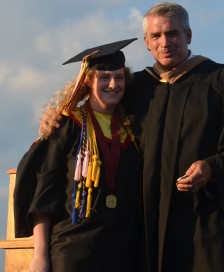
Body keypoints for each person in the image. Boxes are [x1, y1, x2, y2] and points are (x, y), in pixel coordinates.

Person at [40, 2, 224, 272]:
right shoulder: (137, 87)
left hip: (205, 223)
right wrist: (57, 116)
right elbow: (98, 112)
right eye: (156, 36)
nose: (165, 42)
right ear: (147, 43)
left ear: (188, 35)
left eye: (172, 33)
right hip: (146, 229)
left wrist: (212, 166)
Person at [14, 38, 142, 272]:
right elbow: (45, 195)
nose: (113, 84)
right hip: (72, 249)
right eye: (104, 77)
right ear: (88, 81)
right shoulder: (67, 125)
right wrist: (40, 256)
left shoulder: (132, 130)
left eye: (119, 77)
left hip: (121, 250)